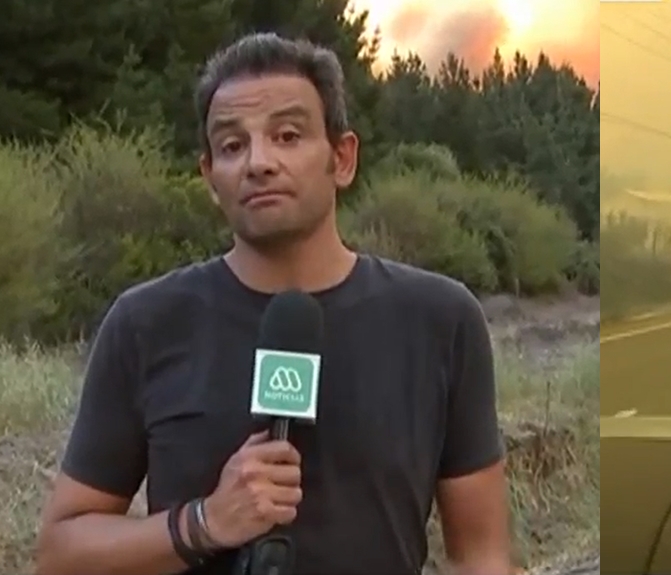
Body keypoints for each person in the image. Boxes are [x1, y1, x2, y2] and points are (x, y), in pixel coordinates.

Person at [34, 32, 512, 575]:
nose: (258, 163)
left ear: (342, 158)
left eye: (287, 135)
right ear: (210, 178)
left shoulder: (441, 319)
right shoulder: (145, 323)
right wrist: (203, 523)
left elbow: (482, 555)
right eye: (232, 146)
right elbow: (60, 554)